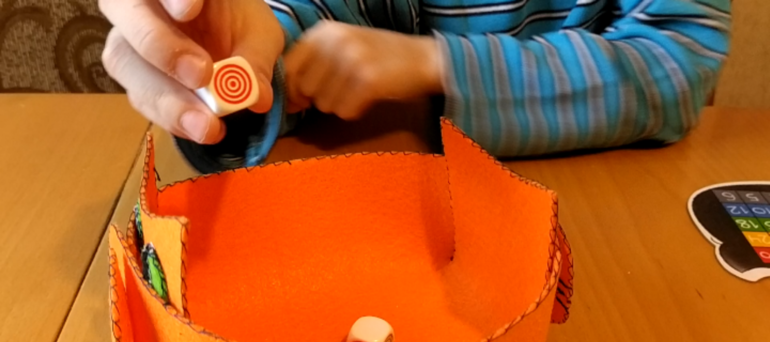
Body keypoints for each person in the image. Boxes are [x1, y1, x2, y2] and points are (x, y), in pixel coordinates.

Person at [99, 0, 730, 157]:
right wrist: (241, 58)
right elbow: (303, 22)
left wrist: (436, 64)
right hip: (389, 207)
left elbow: (678, 59)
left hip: (610, 215)